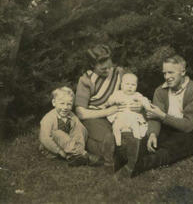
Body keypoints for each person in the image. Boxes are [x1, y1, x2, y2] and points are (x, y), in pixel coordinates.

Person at [120, 54, 193, 177]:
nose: (167, 77)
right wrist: (152, 134)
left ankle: (140, 166)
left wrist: (162, 116)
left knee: (175, 146)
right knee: (147, 141)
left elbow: (188, 126)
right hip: (167, 128)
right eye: (165, 73)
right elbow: (155, 117)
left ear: (182, 71)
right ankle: (123, 158)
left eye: (171, 73)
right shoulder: (160, 91)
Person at [75, 44, 142, 172]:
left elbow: (132, 90)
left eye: (109, 66)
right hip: (94, 117)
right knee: (109, 140)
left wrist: (137, 105)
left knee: (126, 138)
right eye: (102, 69)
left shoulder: (120, 73)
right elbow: (81, 113)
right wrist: (107, 111)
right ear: (92, 66)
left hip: (117, 115)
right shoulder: (86, 80)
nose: (107, 71)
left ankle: (114, 155)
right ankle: (88, 146)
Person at [39, 87, 102, 166]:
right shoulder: (48, 118)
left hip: (69, 146)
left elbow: (81, 131)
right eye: (62, 103)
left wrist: (79, 138)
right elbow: (45, 139)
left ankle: (77, 156)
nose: (65, 107)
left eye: (69, 104)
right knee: (58, 133)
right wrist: (59, 151)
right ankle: (84, 155)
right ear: (54, 103)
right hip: (53, 149)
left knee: (80, 128)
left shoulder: (71, 115)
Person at [106, 73, 151, 146]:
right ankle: (118, 141)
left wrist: (146, 105)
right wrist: (116, 100)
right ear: (122, 85)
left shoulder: (137, 95)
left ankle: (137, 140)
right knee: (116, 127)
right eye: (127, 84)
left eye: (133, 85)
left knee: (136, 128)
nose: (130, 87)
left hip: (132, 118)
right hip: (120, 117)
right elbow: (109, 101)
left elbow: (144, 100)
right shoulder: (118, 94)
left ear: (136, 86)